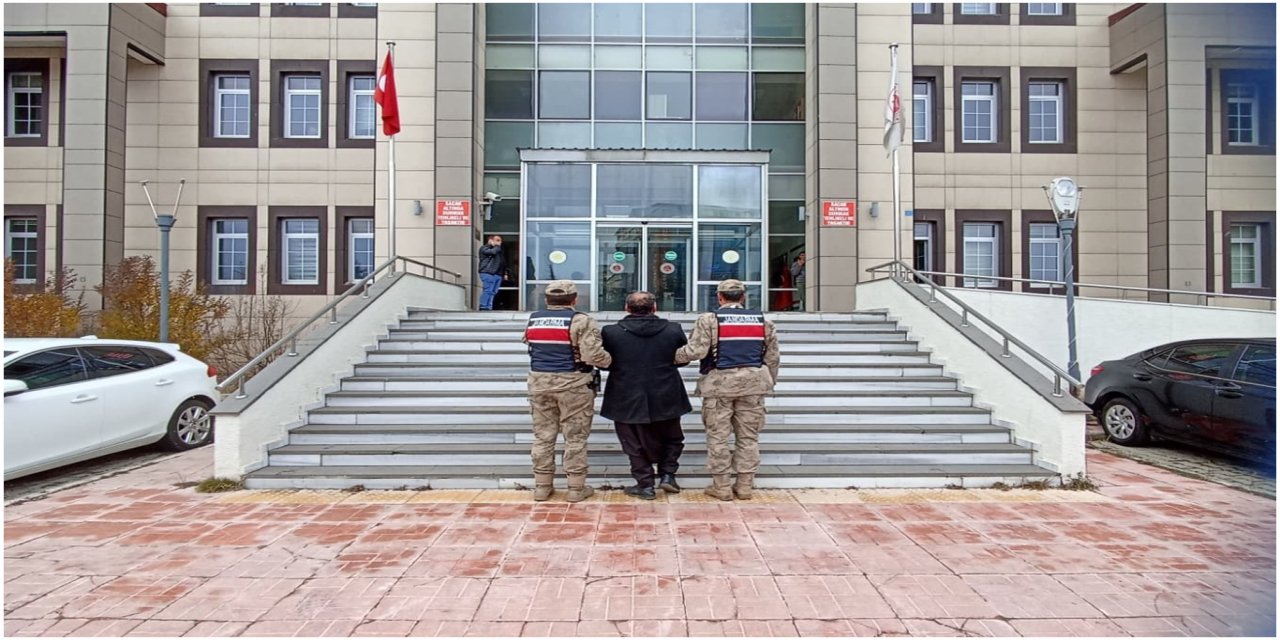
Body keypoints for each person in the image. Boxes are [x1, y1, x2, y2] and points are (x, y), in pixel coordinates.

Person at [674, 279, 780, 501]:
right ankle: (744, 487)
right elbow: (772, 358)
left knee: (718, 437)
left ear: (719, 297)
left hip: (718, 386)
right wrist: (769, 381)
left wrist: (671, 357)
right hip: (753, 385)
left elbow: (696, 351)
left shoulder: (709, 320)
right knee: (748, 438)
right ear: (743, 297)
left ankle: (721, 487)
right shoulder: (764, 322)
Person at [522, 280, 611, 502]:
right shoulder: (581, 321)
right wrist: (611, 362)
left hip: (539, 383)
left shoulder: (534, 319)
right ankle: (575, 488)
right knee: (575, 437)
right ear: (574, 299)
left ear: (546, 300)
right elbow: (592, 355)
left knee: (543, 436)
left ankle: (542, 487)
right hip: (574, 385)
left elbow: (529, 343)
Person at [600, 291, 692, 501]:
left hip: (625, 393)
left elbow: (603, 361)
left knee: (631, 441)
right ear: (654, 308)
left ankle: (645, 484)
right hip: (666, 391)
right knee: (672, 436)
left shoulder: (611, 332)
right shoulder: (673, 329)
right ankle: (668, 475)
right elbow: (683, 359)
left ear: (626, 308)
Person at [478, 235, 507, 310]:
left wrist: (505, 273)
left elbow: (503, 262)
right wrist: (496, 246)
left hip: (498, 274)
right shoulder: (485, 248)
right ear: (491, 240)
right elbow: (492, 252)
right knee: (488, 290)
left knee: (493, 292)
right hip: (488, 272)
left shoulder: (499, 251)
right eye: (497, 240)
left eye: (500, 241)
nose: (499, 242)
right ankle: (483, 306)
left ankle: (489, 306)